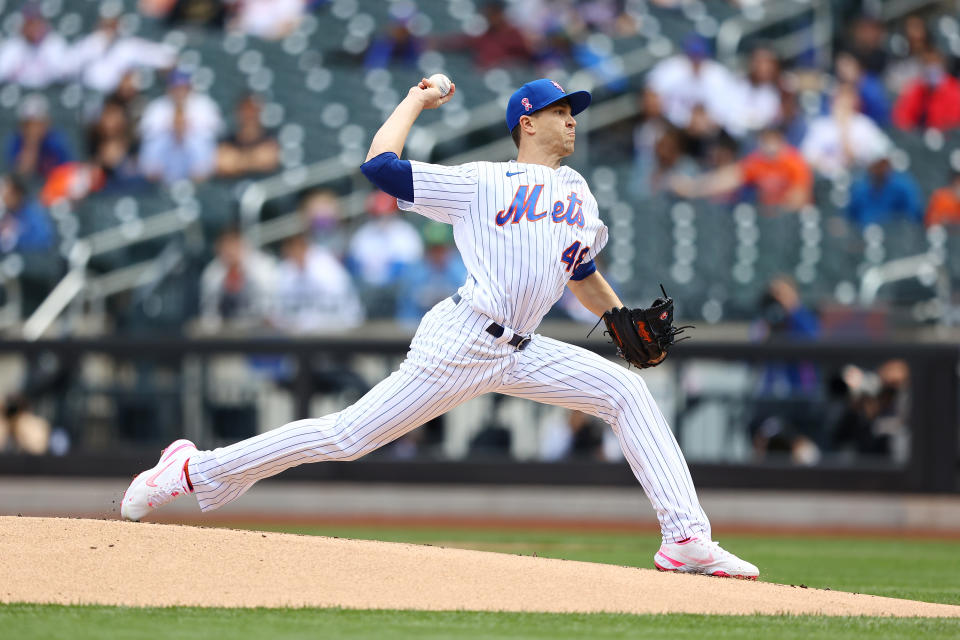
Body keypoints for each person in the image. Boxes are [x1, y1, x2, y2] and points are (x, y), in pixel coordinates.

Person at [121, 76, 759, 580]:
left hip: (523, 348)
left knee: (628, 392)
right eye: (561, 109)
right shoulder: (483, 181)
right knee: (345, 437)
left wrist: (619, 317)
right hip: (461, 340)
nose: (572, 119)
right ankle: (191, 470)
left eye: (576, 110)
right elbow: (381, 168)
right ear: (526, 122)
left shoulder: (581, 195)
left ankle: (686, 541)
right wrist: (414, 100)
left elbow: (580, 271)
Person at [670, 127, 812, 211]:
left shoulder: (794, 162)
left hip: (790, 220)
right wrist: (693, 188)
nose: (769, 146)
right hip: (767, 219)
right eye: (765, 141)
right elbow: (727, 178)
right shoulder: (759, 162)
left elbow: (799, 199)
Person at [270, 233, 365, 333]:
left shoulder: (323, 263)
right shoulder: (289, 268)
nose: (291, 254)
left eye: (294, 248)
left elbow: (336, 303)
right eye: (288, 251)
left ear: (303, 246)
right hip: (310, 328)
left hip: (342, 322)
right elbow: (282, 301)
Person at [67, 14, 177, 93]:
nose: (108, 31)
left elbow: (163, 56)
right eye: (105, 26)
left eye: (112, 26)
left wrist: (168, 60)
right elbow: (66, 67)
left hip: (115, 97)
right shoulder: (88, 43)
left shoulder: (126, 47)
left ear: (117, 27)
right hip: (88, 94)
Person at [801, 83, 890, 179]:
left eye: (848, 100)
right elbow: (807, 157)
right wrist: (826, 166)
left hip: (857, 177)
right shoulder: (820, 125)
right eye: (840, 100)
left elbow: (879, 155)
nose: (844, 104)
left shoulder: (864, 125)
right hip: (825, 178)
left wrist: (844, 129)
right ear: (833, 102)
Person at [199, 227, 275, 331]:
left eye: (233, 244)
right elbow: (209, 313)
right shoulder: (212, 273)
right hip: (225, 333)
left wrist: (243, 274)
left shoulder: (262, 266)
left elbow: (269, 310)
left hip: (258, 332)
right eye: (225, 246)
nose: (230, 251)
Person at [5, 94, 72, 180]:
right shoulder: (15, 141)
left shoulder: (57, 141)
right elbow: (22, 175)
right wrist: (32, 143)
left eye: (38, 124)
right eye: (28, 124)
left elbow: (65, 173)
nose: (33, 128)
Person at [0, 5, 68, 88]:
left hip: (49, 91)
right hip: (19, 93)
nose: (34, 28)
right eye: (31, 24)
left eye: (37, 23)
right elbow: (2, 72)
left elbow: (64, 73)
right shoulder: (14, 46)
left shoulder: (54, 43)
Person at [892, 49, 960, 131]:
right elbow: (901, 116)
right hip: (919, 137)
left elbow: (954, 122)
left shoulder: (955, 90)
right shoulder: (916, 88)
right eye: (927, 63)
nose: (931, 67)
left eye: (935, 63)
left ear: (943, 65)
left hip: (946, 137)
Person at [847, 153, 923, 227]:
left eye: (882, 164)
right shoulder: (860, 189)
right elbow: (851, 219)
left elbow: (912, 218)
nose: (880, 169)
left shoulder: (903, 188)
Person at [215, 94, 280, 179]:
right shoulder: (228, 139)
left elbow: (269, 159)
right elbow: (222, 162)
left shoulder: (270, 138)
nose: (249, 115)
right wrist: (254, 159)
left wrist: (236, 160)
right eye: (246, 110)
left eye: (253, 110)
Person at [0, 174, 55, 254]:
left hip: (36, 259)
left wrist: (17, 233)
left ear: (17, 193)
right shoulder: (6, 214)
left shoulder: (34, 211)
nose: (4, 196)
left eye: (8, 192)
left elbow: (44, 240)